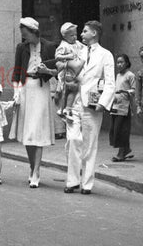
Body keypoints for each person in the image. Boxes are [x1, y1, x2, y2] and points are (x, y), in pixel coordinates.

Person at [64, 20, 115, 195]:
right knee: (73, 140)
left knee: (90, 144)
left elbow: (110, 82)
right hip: (75, 101)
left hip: (92, 105)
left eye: (85, 31)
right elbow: (70, 72)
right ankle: (72, 181)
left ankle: (86, 184)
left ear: (94, 33)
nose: (81, 34)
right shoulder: (78, 52)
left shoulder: (105, 55)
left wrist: (103, 103)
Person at [9, 17, 58, 188]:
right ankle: (32, 167)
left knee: (37, 132)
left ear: (34, 32)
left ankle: (36, 171)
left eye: (26, 34)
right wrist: (16, 92)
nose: (24, 38)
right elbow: (16, 73)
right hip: (25, 89)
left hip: (41, 88)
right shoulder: (21, 48)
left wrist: (48, 71)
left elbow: (58, 71)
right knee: (28, 134)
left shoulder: (49, 46)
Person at [54, 22, 86, 119]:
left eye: (75, 34)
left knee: (72, 89)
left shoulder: (77, 43)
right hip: (66, 70)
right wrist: (68, 56)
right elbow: (57, 56)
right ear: (64, 36)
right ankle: (62, 107)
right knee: (65, 90)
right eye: (71, 35)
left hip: (75, 71)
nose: (75, 37)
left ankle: (66, 109)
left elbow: (85, 48)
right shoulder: (63, 45)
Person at [109, 54, 136, 162]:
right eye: (118, 62)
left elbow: (134, 90)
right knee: (115, 129)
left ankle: (121, 153)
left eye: (121, 62)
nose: (119, 64)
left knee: (122, 129)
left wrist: (126, 91)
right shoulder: (118, 75)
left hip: (124, 106)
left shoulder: (130, 75)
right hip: (115, 105)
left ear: (127, 63)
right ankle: (126, 149)